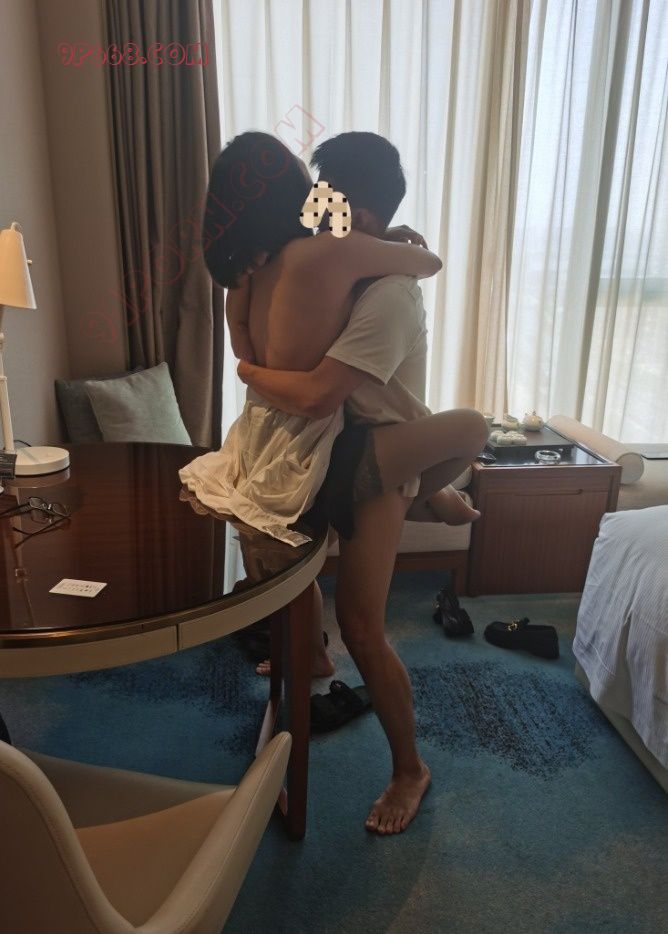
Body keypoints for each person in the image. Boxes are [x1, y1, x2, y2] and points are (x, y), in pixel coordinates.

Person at [180, 131, 488, 834]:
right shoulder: (325, 261)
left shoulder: (379, 290)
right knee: (306, 590)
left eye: (326, 200)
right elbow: (320, 390)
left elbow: (315, 390)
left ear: (357, 210)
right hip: (330, 448)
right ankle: (321, 649)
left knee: (363, 626)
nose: (317, 210)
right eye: (311, 198)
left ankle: (410, 769)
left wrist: (250, 373)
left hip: (367, 460)